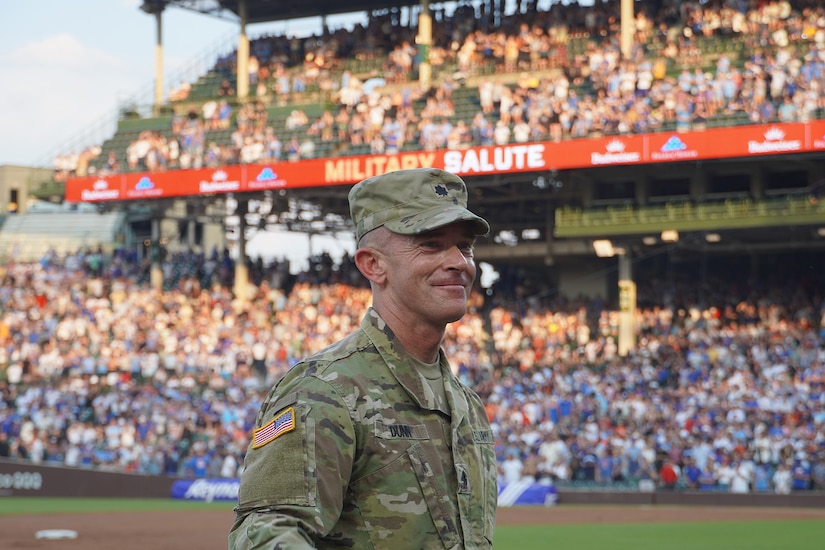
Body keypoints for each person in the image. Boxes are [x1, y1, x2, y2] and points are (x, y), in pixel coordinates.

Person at [229, 168, 498, 549]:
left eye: (465, 246)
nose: (459, 261)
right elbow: (263, 534)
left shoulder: (466, 404)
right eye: (432, 245)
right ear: (373, 264)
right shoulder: (323, 391)